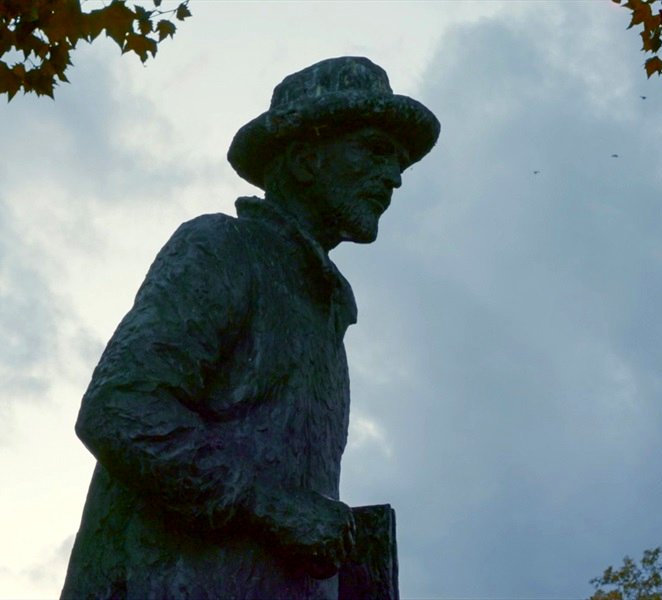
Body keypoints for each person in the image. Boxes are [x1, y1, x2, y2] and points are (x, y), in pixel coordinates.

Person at [60, 56, 439, 600]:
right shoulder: (223, 249)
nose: (395, 178)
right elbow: (120, 409)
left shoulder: (324, 307)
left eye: (399, 161)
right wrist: (269, 507)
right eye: (377, 151)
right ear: (307, 157)